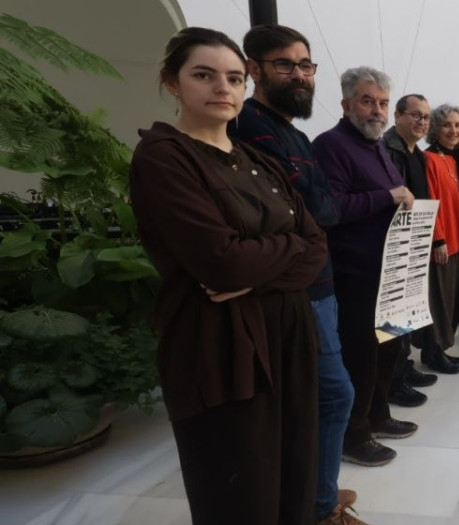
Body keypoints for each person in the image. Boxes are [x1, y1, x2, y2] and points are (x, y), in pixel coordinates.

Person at [130, 27, 325, 525]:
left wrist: (261, 269)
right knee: (241, 486)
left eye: (235, 78)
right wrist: (288, 250)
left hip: (288, 333)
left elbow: (317, 248)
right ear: (172, 82)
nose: (223, 88)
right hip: (221, 343)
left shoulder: (256, 158)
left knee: (295, 472)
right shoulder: (164, 156)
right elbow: (221, 263)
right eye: (204, 75)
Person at [228, 24, 361, 525]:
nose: (300, 75)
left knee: (315, 397)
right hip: (295, 285)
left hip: (318, 281)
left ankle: (314, 489)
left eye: (306, 65)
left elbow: (323, 204)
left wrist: (317, 201)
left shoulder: (294, 134)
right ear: (254, 69)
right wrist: (317, 202)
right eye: (285, 64)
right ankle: (320, 507)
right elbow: (316, 209)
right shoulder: (249, 127)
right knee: (334, 394)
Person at [312, 66, 417, 467]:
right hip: (354, 272)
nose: (377, 110)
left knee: (388, 347)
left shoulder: (377, 146)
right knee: (360, 354)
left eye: (383, 103)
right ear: (346, 104)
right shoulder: (331, 145)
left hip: (388, 270)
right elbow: (331, 209)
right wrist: (388, 197)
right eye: (368, 101)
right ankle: (353, 436)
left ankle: (377, 415)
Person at [381, 94, 443, 404]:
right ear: (398, 116)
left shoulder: (416, 153)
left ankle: (403, 369)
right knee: (393, 315)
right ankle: (393, 382)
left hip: (413, 241)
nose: (422, 122)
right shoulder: (387, 150)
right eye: (415, 115)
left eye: (426, 117)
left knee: (408, 309)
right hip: (393, 244)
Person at [419, 104, 459, 374]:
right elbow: (429, 200)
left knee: (449, 298)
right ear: (435, 129)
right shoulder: (428, 159)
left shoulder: (450, 159)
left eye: (458, 125)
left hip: (456, 238)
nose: (454, 130)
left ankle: (438, 349)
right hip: (441, 241)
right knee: (438, 300)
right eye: (447, 125)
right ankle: (433, 353)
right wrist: (438, 240)